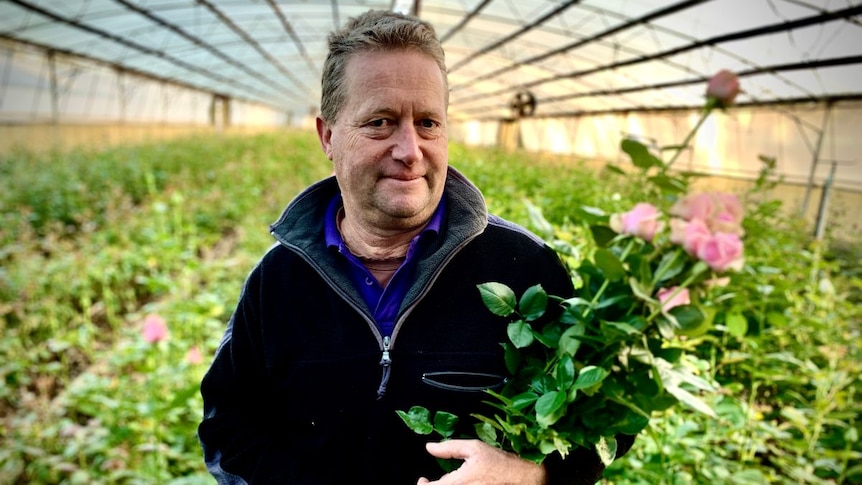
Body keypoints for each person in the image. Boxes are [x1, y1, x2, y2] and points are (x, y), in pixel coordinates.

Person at [198, 9, 632, 485]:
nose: (410, 150)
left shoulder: (524, 269)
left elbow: (606, 416)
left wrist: (531, 474)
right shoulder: (278, 280)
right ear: (328, 136)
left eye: (427, 123)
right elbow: (230, 427)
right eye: (380, 122)